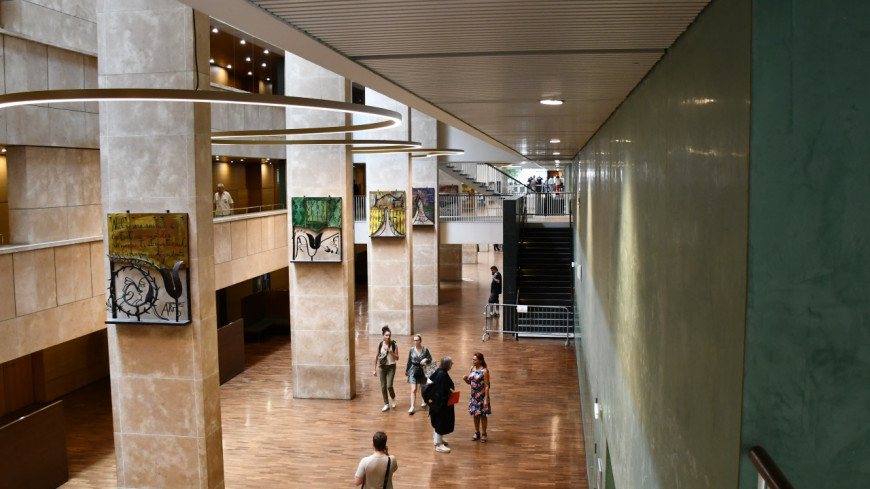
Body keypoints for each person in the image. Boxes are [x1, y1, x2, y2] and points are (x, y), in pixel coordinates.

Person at [426, 356, 455, 453]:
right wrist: (450, 394)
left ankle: (438, 440)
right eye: (451, 363)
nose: (452, 364)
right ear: (447, 364)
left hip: (436, 404)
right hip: (441, 404)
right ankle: (438, 445)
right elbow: (441, 391)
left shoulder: (438, 371)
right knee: (440, 423)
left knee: (438, 422)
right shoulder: (442, 375)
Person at [462, 352, 492, 443]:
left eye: (475, 360)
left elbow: (487, 386)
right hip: (474, 396)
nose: (473, 361)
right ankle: (477, 432)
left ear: (480, 361)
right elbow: (470, 382)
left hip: (482, 396)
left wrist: (486, 399)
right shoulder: (472, 368)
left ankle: (484, 433)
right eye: (473, 359)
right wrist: (465, 379)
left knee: (483, 415)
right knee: (475, 414)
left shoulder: (485, 371)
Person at [373, 325, 400, 412]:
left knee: (389, 385)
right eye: (386, 335)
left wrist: (389, 351)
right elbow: (376, 357)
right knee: (383, 386)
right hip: (382, 366)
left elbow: (397, 358)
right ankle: (386, 404)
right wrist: (374, 369)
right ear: (383, 336)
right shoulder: (380, 344)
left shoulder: (394, 344)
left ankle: (393, 398)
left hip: (391, 367)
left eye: (389, 335)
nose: (388, 337)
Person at [404, 334, 432, 415]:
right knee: (413, 389)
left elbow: (430, 359)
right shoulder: (411, 349)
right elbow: (409, 360)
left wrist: (426, 359)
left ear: (420, 341)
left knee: (423, 388)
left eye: (417, 340)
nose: (415, 342)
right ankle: (412, 407)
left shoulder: (425, 349)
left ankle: (424, 399)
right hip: (413, 370)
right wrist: (407, 370)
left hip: (422, 370)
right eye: (414, 340)